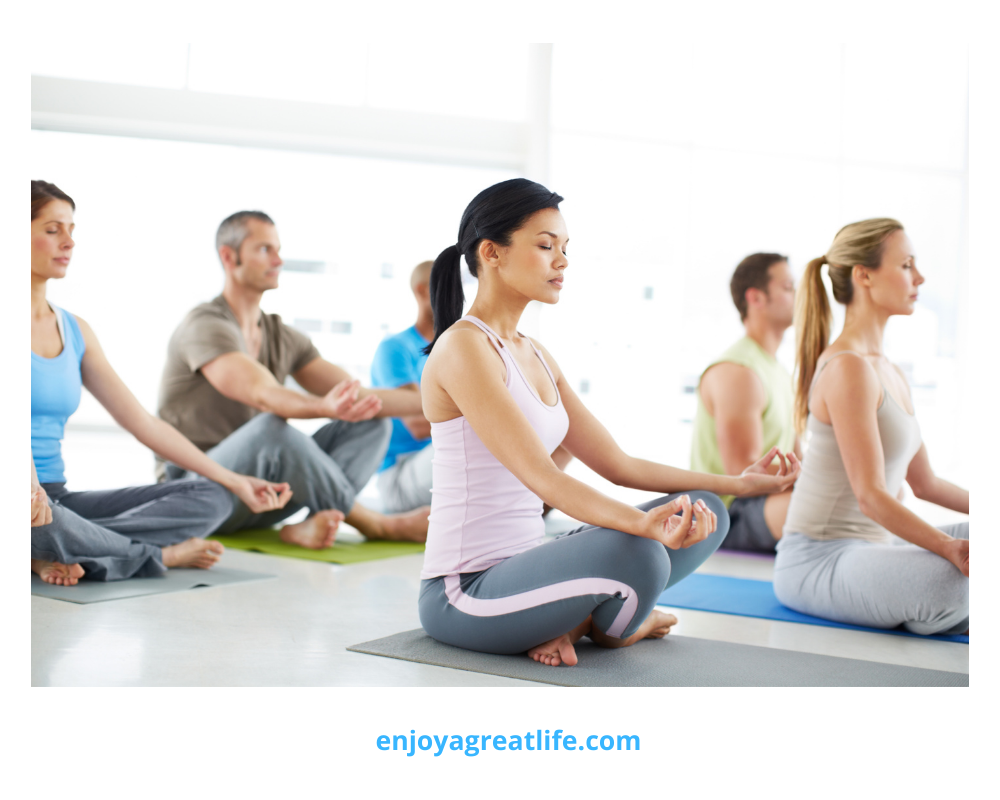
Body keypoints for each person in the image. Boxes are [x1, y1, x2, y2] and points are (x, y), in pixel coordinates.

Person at [417, 178, 800, 667]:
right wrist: (643, 526)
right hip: (463, 593)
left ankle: (574, 624)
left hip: (526, 566)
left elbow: (617, 464)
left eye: (565, 248)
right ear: (491, 253)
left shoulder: (535, 354)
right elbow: (546, 480)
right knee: (641, 553)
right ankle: (614, 630)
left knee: (705, 511)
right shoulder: (463, 347)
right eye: (545, 245)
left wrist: (739, 484)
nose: (562, 261)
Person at [30, 181, 292, 585]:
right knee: (34, 516)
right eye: (53, 230)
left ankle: (59, 549)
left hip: (55, 499)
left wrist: (235, 480)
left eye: (71, 229)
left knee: (212, 496)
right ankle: (155, 555)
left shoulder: (75, 330)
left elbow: (145, 424)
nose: (69, 242)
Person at [157, 211, 430, 548]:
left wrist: (459, 401)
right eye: (264, 250)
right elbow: (263, 394)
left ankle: (315, 522)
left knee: (372, 420)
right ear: (229, 256)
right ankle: (375, 524)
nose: (278, 260)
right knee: (272, 428)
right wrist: (323, 406)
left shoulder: (282, 335)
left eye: (278, 249)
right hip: (195, 492)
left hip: (263, 497)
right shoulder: (205, 325)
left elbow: (356, 395)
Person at [775, 218, 969, 636]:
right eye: (906, 265)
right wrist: (947, 550)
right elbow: (871, 497)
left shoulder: (890, 371)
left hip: (875, 550)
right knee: (953, 581)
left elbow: (927, 484)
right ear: (864, 275)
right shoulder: (848, 369)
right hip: (818, 561)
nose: (919, 277)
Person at [691, 253, 801, 553]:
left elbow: (800, 456)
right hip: (728, 513)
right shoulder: (737, 371)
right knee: (844, 498)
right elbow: (743, 470)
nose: (799, 295)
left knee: (874, 492)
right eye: (789, 287)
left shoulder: (780, 372)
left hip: (768, 501)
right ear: (756, 298)